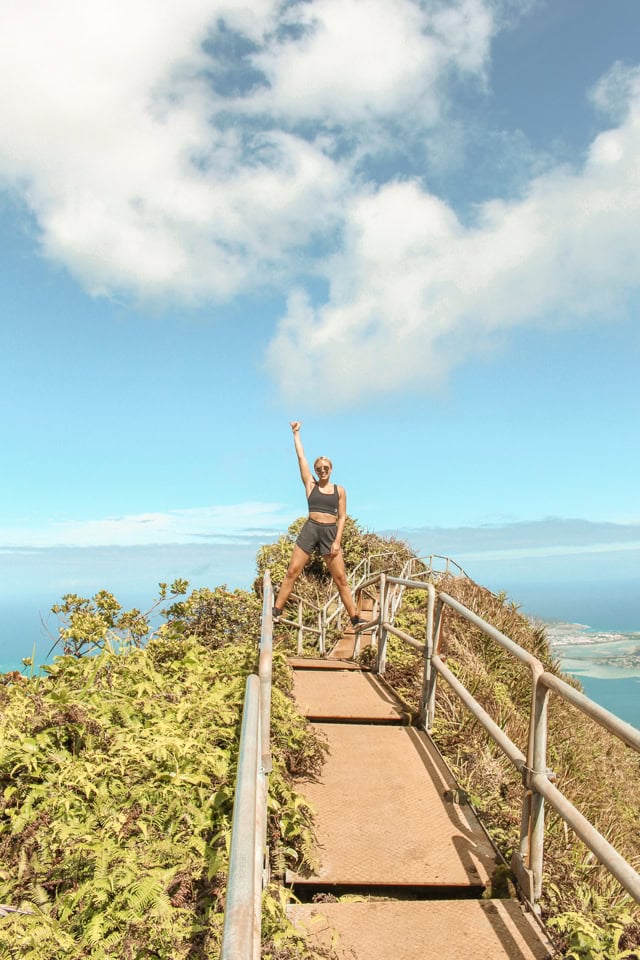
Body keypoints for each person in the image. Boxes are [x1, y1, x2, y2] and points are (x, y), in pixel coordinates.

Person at [272, 422, 366, 629]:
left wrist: (337, 541)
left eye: (325, 468)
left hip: (330, 533)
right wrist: (296, 434)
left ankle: (355, 618)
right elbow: (301, 457)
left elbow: (342, 517)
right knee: (292, 571)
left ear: (331, 469)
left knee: (340, 578)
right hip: (311, 529)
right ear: (315, 470)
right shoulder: (310, 485)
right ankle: (276, 611)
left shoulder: (339, 490)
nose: (322, 470)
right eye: (319, 468)